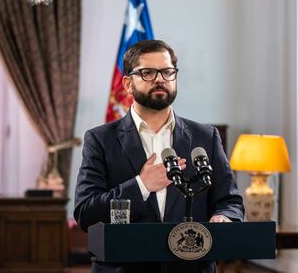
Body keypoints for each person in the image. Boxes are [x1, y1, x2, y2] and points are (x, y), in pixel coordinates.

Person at [74, 40, 244, 273]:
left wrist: (224, 218)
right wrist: (142, 185)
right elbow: (86, 213)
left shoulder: (205, 137)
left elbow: (230, 202)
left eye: (167, 72)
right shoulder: (100, 140)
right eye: (147, 73)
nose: (160, 79)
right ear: (127, 84)